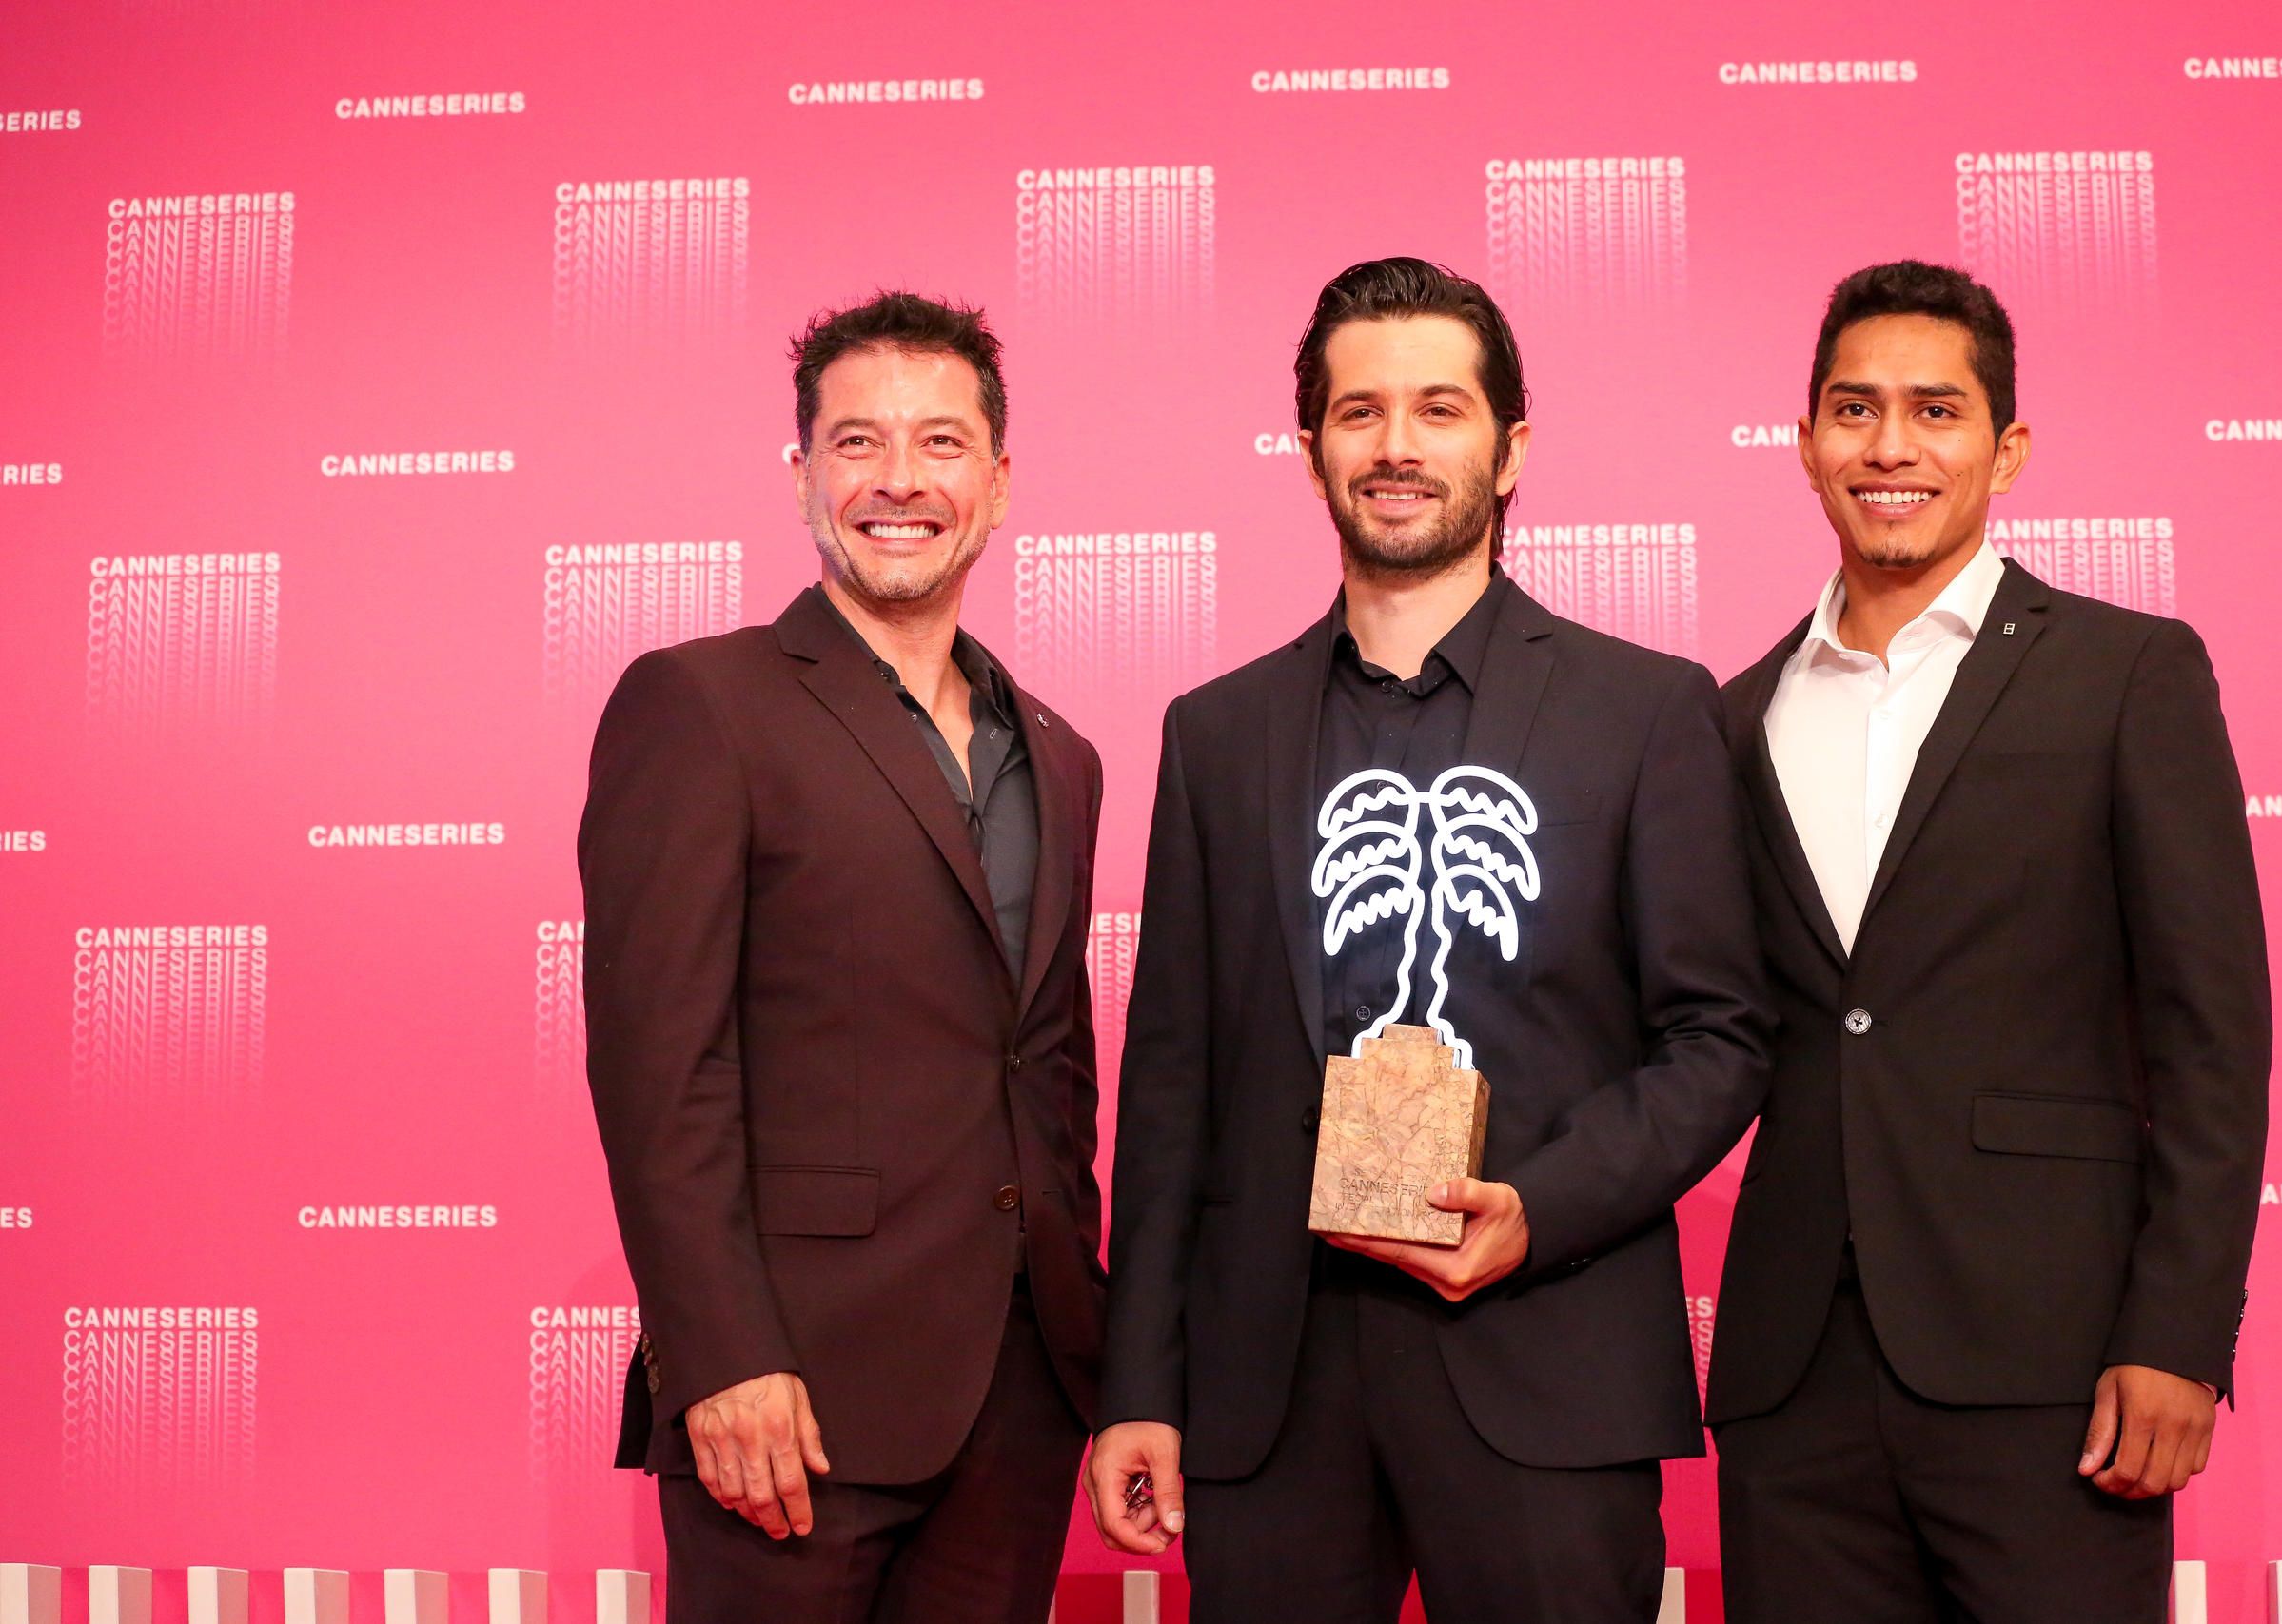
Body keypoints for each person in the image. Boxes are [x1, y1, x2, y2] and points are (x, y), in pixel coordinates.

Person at [1088, 257, 1772, 1624]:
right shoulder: (1216, 734)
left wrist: (1539, 1212)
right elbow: (1169, 1088)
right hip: (1268, 1388)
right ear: (1311, 450)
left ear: (1510, 450)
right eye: (1361, 412)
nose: (1396, 446)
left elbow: (1721, 1040)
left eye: (1439, 410)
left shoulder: (1645, 711)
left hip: (1546, 1360)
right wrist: (1140, 1388)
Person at [1706, 260, 2271, 1622]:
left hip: (2055, 1366)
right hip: (1793, 1378)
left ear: (2005, 449)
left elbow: (2211, 1035)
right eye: (1854, 410)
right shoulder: (1730, 717)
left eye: (1936, 410)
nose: (1890, 447)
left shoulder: (2128, 672)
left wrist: (2180, 1336)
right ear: (1805, 443)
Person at [579, 292, 1107, 1623]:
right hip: (792, 1397)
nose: (899, 480)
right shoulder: (702, 704)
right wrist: (721, 1357)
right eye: (858, 441)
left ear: (998, 483)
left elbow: (1050, 1072)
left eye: (941, 443)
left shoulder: (1061, 753)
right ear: (802, 473)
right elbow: (660, 1072)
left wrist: (1094, 1352)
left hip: (1020, 1400)